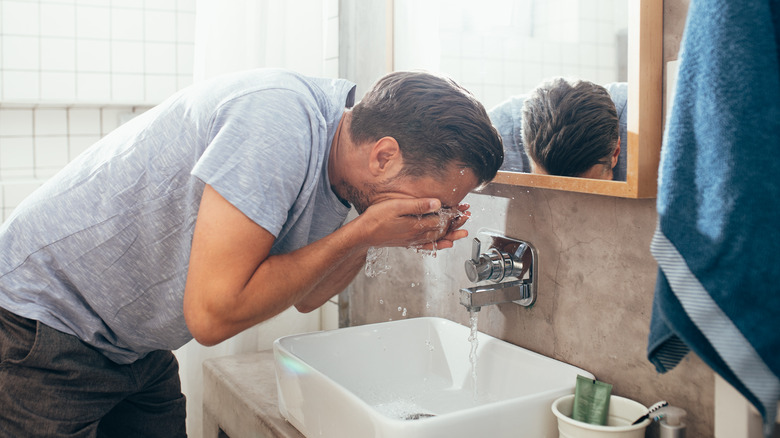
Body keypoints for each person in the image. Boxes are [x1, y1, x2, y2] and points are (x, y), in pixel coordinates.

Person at [0, 68, 503, 437]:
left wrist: (372, 233)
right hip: (42, 328)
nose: (435, 211)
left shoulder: (342, 167)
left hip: (130, 345)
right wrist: (360, 233)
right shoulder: (277, 121)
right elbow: (212, 317)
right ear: (385, 155)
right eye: (436, 198)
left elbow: (308, 298)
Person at [489, 77, 627, 180]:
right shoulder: (494, 139)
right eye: (551, 190)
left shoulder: (642, 123)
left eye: (587, 190)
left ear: (615, 153)